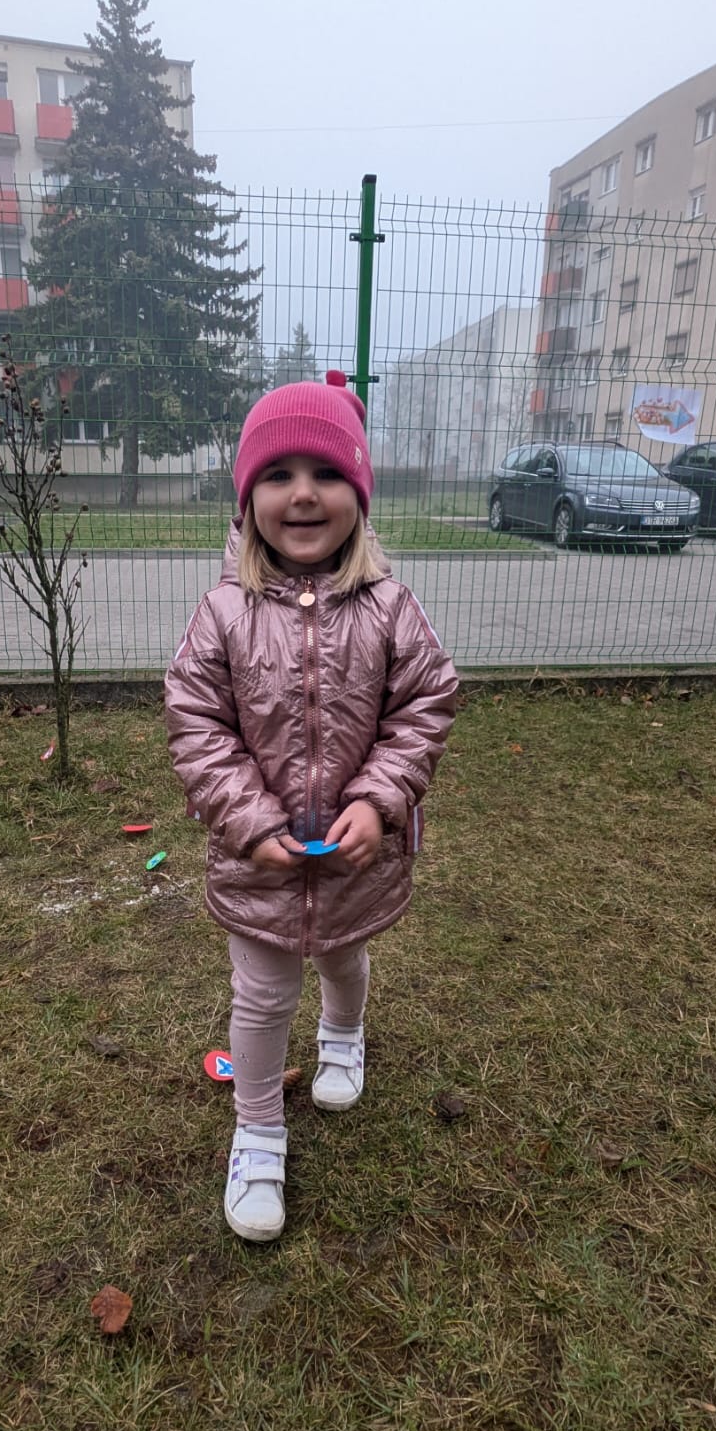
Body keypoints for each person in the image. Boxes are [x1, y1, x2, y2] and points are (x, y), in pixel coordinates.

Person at [165, 371, 459, 1241]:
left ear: (358, 495)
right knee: (260, 994)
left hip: (355, 853)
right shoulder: (221, 613)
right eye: (278, 474)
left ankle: (342, 1033)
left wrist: (380, 798)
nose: (302, 494)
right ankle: (258, 1134)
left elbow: (424, 705)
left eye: (327, 473)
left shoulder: (390, 607)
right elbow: (196, 722)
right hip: (255, 861)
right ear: (247, 497)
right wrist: (248, 822)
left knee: (342, 955)